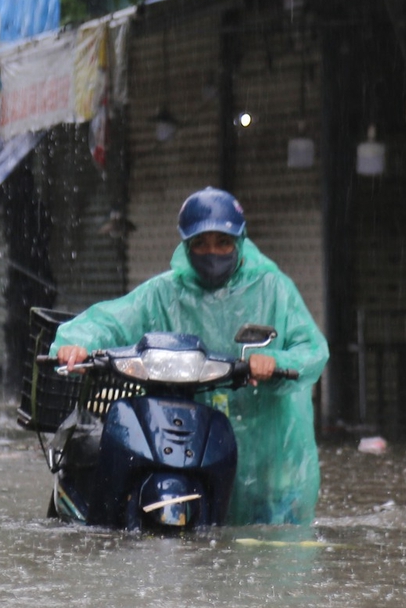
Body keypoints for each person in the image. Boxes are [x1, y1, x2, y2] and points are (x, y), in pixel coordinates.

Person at [52, 187, 329, 524]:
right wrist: (75, 344)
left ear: (239, 241)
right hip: (184, 434)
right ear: (186, 245)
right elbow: (109, 320)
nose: (212, 252)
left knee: (266, 542)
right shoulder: (165, 292)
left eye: (222, 242)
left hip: (265, 445)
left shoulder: (273, 288)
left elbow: (311, 348)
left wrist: (277, 361)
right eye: (200, 243)